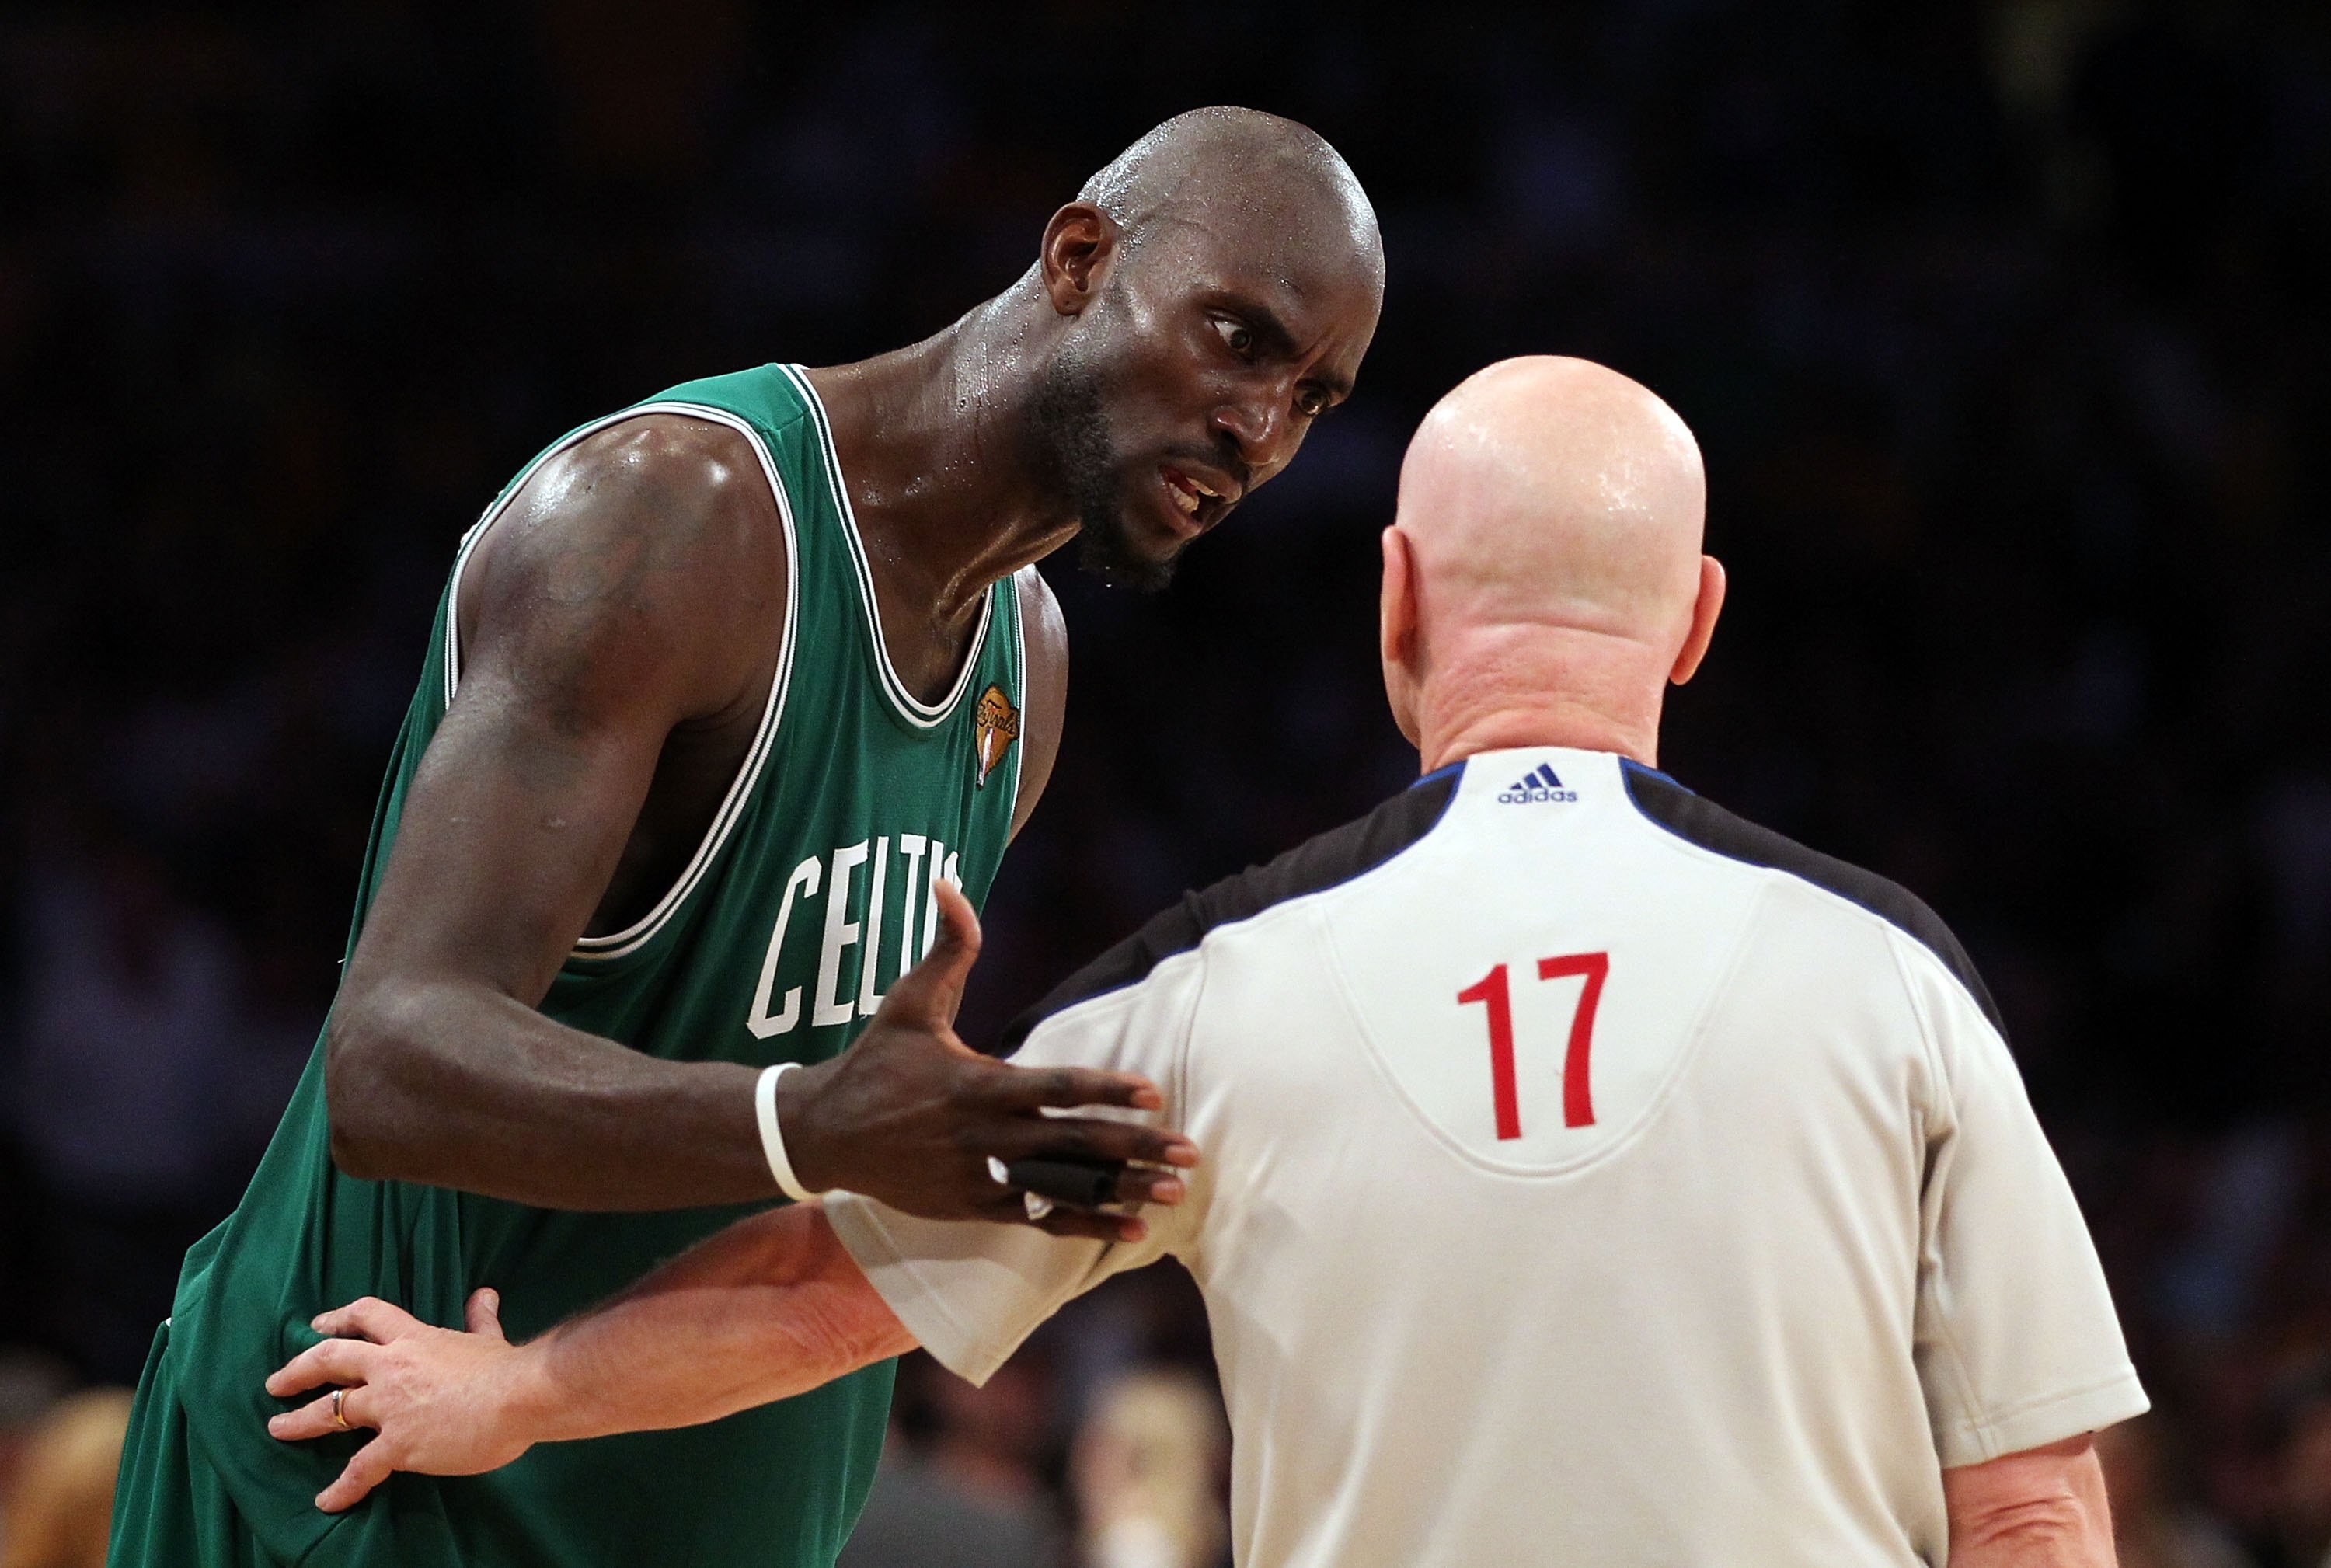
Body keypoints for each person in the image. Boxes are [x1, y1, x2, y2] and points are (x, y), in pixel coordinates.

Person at [263, 357, 2147, 1566]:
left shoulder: (1212, 994)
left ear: (1395, 598)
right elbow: (2036, 1509)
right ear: (1701, 619)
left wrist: (512, 1395)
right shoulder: (1896, 987)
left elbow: (837, 1287)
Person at [106, 106, 1385, 1568]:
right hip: (377, 1483)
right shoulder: (676, 520)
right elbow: (391, 1060)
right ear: (1082, 258)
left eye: (1315, 398)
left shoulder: (1026, 659)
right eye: (1238, 338)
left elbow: (833, 1105)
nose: (1261, 426)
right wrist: (805, 1123)